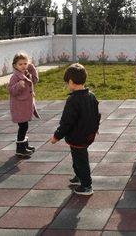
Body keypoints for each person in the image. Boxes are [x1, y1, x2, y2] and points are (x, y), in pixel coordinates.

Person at [50, 63, 101, 196]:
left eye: (67, 83)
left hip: (78, 136)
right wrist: (95, 129)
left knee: (81, 159)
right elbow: (97, 115)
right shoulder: (91, 96)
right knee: (77, 156)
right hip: (88, 134)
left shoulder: (73, 100)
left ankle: (86, 186)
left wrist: (57, 136)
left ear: (71, 82)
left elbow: (67, 122)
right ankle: (79, 177)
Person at [8, 52, 40, 158]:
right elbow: (11, 90)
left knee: (25, 126)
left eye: (25, 63)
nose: (23, 66)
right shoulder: (15, 77)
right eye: (20, 64)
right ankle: (20, 149)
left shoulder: (26, 73)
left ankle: (24, 145)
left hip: (26, 105)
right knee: (23, 126)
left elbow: (35, 80)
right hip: (19, 107)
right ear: (15, 66)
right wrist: (18, 85)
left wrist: (31, 68)